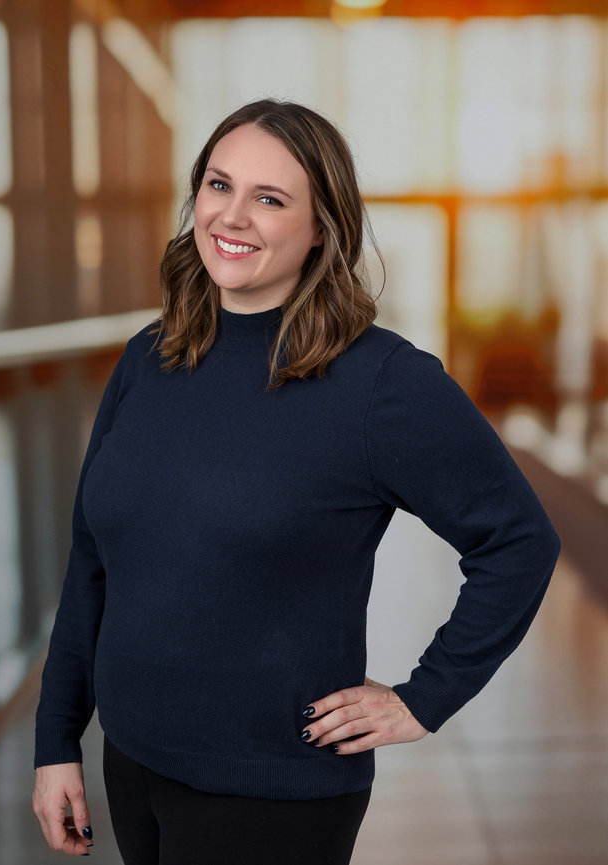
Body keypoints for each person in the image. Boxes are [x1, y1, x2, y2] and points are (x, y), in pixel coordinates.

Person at [32, 99, 561, 864]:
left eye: (270, 198)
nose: (233, 216)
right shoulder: (148, 357)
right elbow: (92, 562)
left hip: (274, 793)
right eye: (219, 185)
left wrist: (425, 696)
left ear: (321, 228)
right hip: (135, 761)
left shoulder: (381, 383)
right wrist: (57, 742)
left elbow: (517, 539)